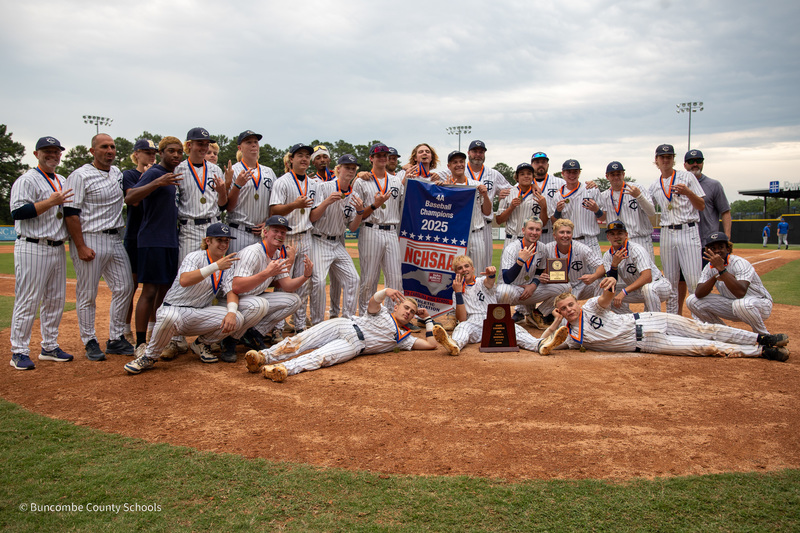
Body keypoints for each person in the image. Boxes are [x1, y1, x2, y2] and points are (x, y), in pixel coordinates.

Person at [124, 223, 269, 373]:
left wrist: (231, 312)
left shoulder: (227, 265)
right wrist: (215, 266)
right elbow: (184, 280)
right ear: (208, 241)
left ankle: (201, 344)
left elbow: (231, 291)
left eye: (227, 241)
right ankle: (149, 357)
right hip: (175, 310)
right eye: (219, 240)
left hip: (199, 313)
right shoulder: (195, 257)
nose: (224, 244)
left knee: (237, 318)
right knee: (168, 317)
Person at [538, 277, 789, 362]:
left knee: (705, 330)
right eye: (563, 308)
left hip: (649, 321)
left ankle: (762, 337)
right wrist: (554, 323)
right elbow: (544, 345)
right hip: (647, 345)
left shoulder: (591, 306)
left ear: (576, 302)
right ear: (559, 311)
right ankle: (761, 352)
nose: (569, 309)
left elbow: (605, 298)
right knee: (704, 348)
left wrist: (610, 285)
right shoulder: (571, 337)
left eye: (571, 304)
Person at [244, 289, 439, 382]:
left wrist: (428, 319)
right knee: (302, 340)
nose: (408, 313)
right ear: (396, 307)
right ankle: (263, 357)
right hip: (343, 325)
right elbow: (373, 302)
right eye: (406, 307)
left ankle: (280, 369)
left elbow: (431, 344)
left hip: (355, 346)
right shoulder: (382, 313)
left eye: (412, 312)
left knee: (321, 357)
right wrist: (385, 291)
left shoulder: (405, 339)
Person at [64, 133, 135, 361]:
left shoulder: (117, 173)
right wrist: (80, 245)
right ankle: (89, 340)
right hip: (90, 238)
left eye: (113, 147)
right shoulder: (80, 175)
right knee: (87, 293)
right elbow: (70, 213)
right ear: (92, 151)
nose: (110, 150)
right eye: (104, 147)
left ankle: (115, 338)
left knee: (125, 288)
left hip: (115, 238)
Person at [9, 136, 74, 370]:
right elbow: (18, 212)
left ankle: (49, 346)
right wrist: (50, 202)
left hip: (57, 247)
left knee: (55, 300)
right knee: (28, 299)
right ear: (36, 154)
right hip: (32, 246)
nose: (52, 155)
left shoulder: (62, 179)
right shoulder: (27, 180)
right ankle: (18, 350)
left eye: (56, 151)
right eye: (47, 151)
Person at [432, 255, 568, 356]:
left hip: (492, 319)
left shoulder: (480, 282)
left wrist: (491, 274)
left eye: (466, 266)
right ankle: (454, 344)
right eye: (459, 268)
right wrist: (458, 293)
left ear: (472, 268)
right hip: (473, 322)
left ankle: (540, 345)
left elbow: (489, 283)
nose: (464, 269)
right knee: (462, 327)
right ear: (456, 272)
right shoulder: (456, 291)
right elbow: (462, 318)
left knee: (515, 330)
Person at [124, 136, 184, 354]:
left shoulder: (175, 175)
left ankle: (156, 335)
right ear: (161, 153)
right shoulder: (154, 173)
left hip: (170, 240)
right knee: (149, 290)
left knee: (165, 291)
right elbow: (130, 198)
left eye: (179, 151)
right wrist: (157, 183)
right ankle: (140, 343)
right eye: (170, 151)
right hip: (151, 240)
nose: (176, 155)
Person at [225, 215, 310, 348]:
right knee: (260, 304)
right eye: (275, 231)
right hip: (234, 299)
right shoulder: (252, 252)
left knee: (294, 300)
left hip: (253, 297)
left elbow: (287, 286)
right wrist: (266, 274)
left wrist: (306, 276)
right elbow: (236, 287)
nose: (279, 235)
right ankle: (231, 339)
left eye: (283, 232)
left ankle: (254, 333)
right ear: (265, 232)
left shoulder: (277, 254)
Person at [647, 144, 705, 315]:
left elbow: (701, 205)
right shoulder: (654, 185)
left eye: (669, 157)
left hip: (688, 229)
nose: (666, 160)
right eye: (662, 157)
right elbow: (646, 207)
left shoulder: (686, 177)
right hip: (666, 232)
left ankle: (698, 321)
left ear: (673, 159)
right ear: (656, 161)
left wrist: (688, 193)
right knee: (670, 282)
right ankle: (673, 322)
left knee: (694, 280)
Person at [308, 154, 364, 325]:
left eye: (353, 168)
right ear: (338, 169)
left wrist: (361, 212)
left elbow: (352, 227)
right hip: (319, 239)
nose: (351, 170)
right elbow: (311, 217)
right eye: (347, 167)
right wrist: (326, 202)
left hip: (338, 242)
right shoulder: (323, 188)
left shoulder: (353, 195)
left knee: (353, 279)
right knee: (317, 281)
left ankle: (346, 322)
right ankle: (317, 324)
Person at [436, 140, 512, 264]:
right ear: (469, 153)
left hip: (482, 226)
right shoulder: (448, 176)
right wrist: (438, 186)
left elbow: (512, 190)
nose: (477, 154)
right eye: (474, 151)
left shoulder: (493, 174)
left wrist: (530, 185)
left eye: (481, 152)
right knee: (455, 269)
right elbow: (428, 177)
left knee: (483, 265)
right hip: (457, 230)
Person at [686, 232, 774, 334]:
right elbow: (699, 293)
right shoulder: (708, 268)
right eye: (713, 248)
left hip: (760, 304)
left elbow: (740, 292)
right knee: (692, 300)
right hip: (733, 305)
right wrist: (715, 276)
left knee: (741, 304)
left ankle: (764, 336)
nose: (717, 251)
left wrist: (721, 270)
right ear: (708, 251)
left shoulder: (739, 263)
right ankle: (726, 333)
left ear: (728, 249)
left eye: (720, 247)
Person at [353, 143, 405, 314]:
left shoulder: (396, 181)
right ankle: (365, 316)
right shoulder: (361, 181)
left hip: (391, 231)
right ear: (371, 158)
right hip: (370, 229)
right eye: (378, 155)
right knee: (369, 279)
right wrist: (375, 205)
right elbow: (359, 214)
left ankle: (394, 317)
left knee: (395, 278)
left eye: (385, 155)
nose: (383, 158)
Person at [270, 143, 316, 333]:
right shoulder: (282, 181)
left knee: (303, 283)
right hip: (286, 237)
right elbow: (274, 209)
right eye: (300, 155)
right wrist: (295, 205)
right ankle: (278, 328)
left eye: (307, 156)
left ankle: (299, 326)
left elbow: (313, 213)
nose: (304, 159)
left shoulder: (313, 184)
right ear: (291, 159)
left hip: (305, 236)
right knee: (283, 283)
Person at [122, 138, 158, 344]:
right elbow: (134, 200)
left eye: (153, 152)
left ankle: (153, 328)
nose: (151, 155)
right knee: (131, 286)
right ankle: (125, 330)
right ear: (136, 154)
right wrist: (149, 179)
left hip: (154, 237)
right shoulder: (130, 175)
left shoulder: (159, 173)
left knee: (153, 286)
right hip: (135, 237)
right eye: (146, 152)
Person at [535, 218, 605, 320]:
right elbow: (535, 270)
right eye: (562, 232)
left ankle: (596, 315)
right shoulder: (547, 248)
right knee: (533, 283)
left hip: (581, 285)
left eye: (568, 232)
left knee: (602, 281)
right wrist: (540, 276)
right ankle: (538, 313)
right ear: (554, 235)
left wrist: (593, 276)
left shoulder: (582, 248)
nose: (565, 235)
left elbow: (602, 267)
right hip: (559, 286)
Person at [440, 151, 492, 272]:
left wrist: (485, 195)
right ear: (449, 166)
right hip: (456, 236)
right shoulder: (446, 187)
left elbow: (487, 212)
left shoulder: (477, 185)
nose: (459, 165)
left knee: (477, 272)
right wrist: (447, 192)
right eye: (455, 162)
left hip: (476, 234)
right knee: (456, 272)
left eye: (461, 162)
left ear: (465, 163)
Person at [602, 220, 670, 314]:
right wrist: (614, 265)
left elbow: (647, 277)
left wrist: (624, 292)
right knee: (607, 294)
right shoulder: (607, 256)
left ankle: (654, 324)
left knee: (648, 289)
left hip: (658, 285)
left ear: (626, 235)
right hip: (636, 290)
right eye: (612, 234)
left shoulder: (636, 249)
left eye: (619, 233)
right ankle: (634, 321)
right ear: (608, 237)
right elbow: (611, 282)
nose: (616, 237)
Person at [226, 130, 276, 254]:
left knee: (263, 272)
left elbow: (275, 203)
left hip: (262, 233)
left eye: (255, 142)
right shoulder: (233, 171)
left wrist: (268, 222)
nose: (254, 145)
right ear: (240, 148)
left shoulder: (268, 172)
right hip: (239, 230)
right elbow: (228, 206)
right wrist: (237, 185)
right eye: (248, 142)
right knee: (236, 271)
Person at [596, 161, 656, 261]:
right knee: (622, 275)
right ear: (607, 176)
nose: (616, 177)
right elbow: (601, 217)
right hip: (618, 242)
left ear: (623, 174)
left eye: (618, 174)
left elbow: (651, 212)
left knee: (647, 274)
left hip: (639, 239)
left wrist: (639, 196)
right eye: (612, 175)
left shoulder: (636, 188)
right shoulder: (604, 195)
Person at [496, 217, 549, 328]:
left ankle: (534, 315)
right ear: (523, 230)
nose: (534, 233)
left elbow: (540, 271)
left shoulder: (543, 248)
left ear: (541, 231)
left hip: (530, 290)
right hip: (512, 289)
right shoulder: (511, 248)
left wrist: (534, 285)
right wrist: (520, 261)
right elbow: (507, 279)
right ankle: (502, 320)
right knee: (502, 291)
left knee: (564, 287)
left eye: (537, 230)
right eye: (531, 229)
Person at [549, 159, 603, 258]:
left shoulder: (591, 189)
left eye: (575, 172)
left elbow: (603, 217)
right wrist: (557, 212)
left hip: (589, 239)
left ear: (579, 173)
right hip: (569, 240)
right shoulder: (558, 195)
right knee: (569, 272)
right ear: (563, 173)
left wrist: (596, 210)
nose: (572, 175)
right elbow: (553, 221)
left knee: (597, 272)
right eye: (568, 172)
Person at [496, 163, 547, 249]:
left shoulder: (540, 195)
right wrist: (511, 207)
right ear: (517, 177)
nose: (526, 176)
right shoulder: (508, 193)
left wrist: (544, 207)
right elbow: (499, 220)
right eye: (522, 174)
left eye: (529, 173)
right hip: (511, 239)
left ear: (533, 176)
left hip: (531, 240)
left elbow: (544, 223)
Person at [684, 150, 731, 240]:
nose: (695, 164)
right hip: (687, 240)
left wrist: (727, 236)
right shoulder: (680, 185)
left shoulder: (714, 185)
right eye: (691, 161)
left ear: (702, 163)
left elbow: (725, 212)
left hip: (709, 239)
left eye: (698, 161)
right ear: (685, 165)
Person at [529, 152, 565, 245]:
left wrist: (589, 184)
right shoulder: (524, 185)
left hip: (551, 233)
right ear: (531, 165)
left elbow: (575, 188)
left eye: (543, 162)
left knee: (553, 259)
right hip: (531, 234)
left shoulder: (560, 183)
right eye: (537, 162)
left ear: (547, 165)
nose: (540, 164)